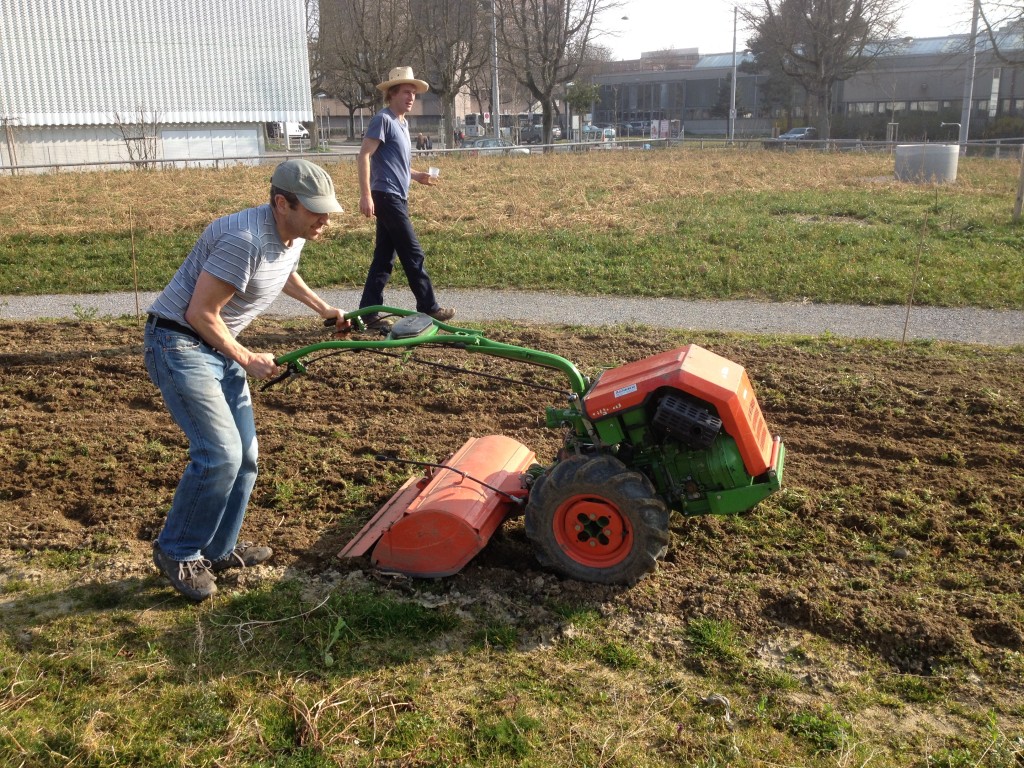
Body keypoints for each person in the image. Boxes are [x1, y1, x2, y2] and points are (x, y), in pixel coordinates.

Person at [144, 159, 350, 602]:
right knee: (219, 454)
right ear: (281, 203)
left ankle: (218, 550)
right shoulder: (244, 239)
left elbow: (282, 271)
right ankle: (177, 551)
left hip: (214, 343)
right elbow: (199, 314)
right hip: (180, 342)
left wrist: (323, 308)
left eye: (327, 209)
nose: (325, 220)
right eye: (316, 210)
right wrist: (246, 357)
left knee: (246, 457)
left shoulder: (290, 233)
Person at [358, 66, 455, 327]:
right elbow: (365, 155)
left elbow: (396, 161)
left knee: (383, 258)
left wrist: (416, 175)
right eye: (406, 92)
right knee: (413, 252)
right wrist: (366, 195)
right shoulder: (384, 120)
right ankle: (429, 306)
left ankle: (368, 312)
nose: (411, 97)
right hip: (386, 196)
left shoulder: (402, 123)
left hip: (398, 196)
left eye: (414, 93)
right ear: (391, 94)